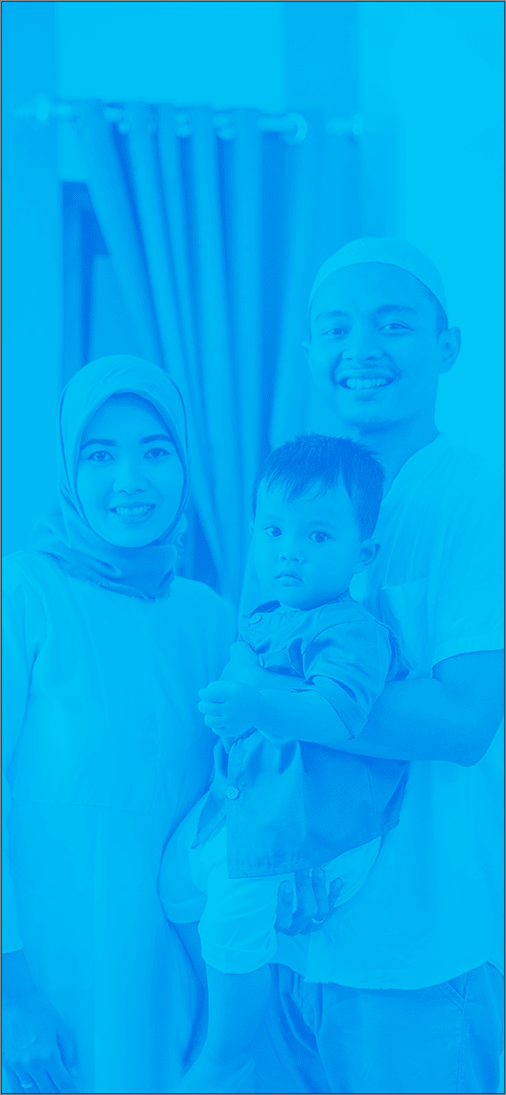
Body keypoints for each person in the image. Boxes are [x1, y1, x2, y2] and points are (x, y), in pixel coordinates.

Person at [235, 238, 503, 1094]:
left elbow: (465, 718)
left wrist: (274, 696)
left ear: (447, 346)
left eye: (393, 325)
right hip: (290, 935)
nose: (361, 348)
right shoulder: (295, 500)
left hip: (416, 950)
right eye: (336, 328)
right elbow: (255, 690)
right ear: (310, 350)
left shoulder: (474, 498)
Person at [1, 355, 235, 1094]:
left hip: (174, 976)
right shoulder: (25, 591)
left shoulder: (211, 618)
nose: (129, 480)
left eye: (155, 451)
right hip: (44, 974)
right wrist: (12, 994)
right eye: (99, 455)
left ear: (185, 463)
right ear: (69, 469)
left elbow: (231, 807)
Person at [160, 434, 408, 1093]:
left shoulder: (350, 628)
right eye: (272, 531)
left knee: (231, 915)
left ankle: (227, 1053)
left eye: (317, 536)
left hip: (314, 821)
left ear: (363, 554)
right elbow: (242, 679)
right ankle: (230, 998)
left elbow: (339, 713)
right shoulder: (267, 616)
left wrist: (254, 702)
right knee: (175, 882)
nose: (289, 550)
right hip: (256, 802)